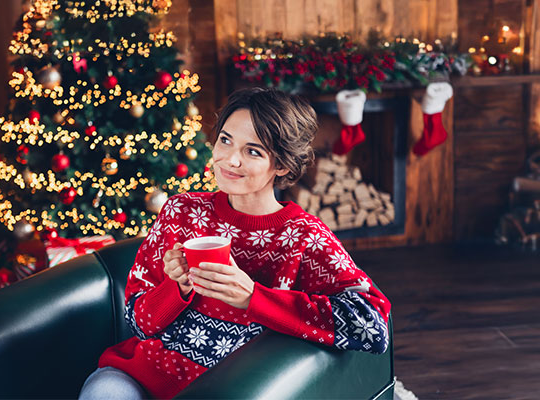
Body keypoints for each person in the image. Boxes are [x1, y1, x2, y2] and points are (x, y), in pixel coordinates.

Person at [79, 87, 391, 399]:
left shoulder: (304, 237)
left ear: (281, 165)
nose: (230, 160)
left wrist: (253, 297)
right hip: (138, 377)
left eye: (253, 151)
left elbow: (373, 326)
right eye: (225, 140)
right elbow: (139, 322)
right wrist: (177, 287)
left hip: (226, 390)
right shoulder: (181, 212)